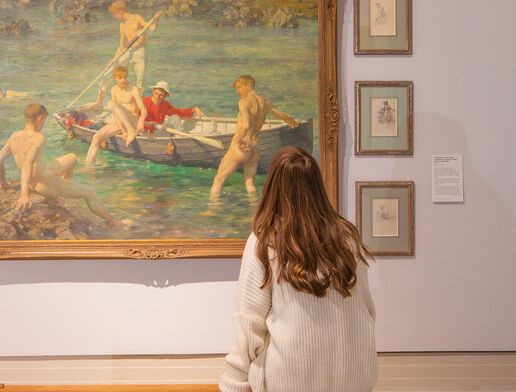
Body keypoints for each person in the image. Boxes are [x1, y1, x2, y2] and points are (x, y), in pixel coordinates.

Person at [220, 147, 377, 391]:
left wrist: (233, 383)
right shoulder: (347, 238)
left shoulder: (266, 242)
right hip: (354, 376)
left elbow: (249, 324)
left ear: (273, 187)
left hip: (293, 379)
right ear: (317, 186)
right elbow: (366, 310)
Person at [0, 103, 127, 227]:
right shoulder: (38, 138)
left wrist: (3, 183)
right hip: (45, 185)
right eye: (44, 120)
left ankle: (61, 195)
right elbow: (27, 164)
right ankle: (112, 221)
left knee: (72, 158)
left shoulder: (14, 136)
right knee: (89, 192)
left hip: (39, 176)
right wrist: (24, 195)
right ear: (39, 118)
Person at [210, 75, 300, 202]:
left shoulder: (244, 102)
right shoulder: (265, 103)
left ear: (249, 86)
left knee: (219, 179)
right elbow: (284, 116)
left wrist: (236, 141)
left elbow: (245, 125)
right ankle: (254, 210)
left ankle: (213, 211)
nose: (238, 91)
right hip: (254, 148)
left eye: (239, 87)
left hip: (241, 146)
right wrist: (294, 123)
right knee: (250, 183)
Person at [83, 67, 147, 163]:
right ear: (115, 78)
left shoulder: (133, 88)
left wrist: (141, 120)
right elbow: (115, 113)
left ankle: (131, 130)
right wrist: (123, 131)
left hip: (133, 120)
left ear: (128, 76)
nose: (123, 80)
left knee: (110, 103)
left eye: (125, 77)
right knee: (97, 137)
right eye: (120, 78)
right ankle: (89, 163)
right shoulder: (114, 89)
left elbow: (143, 109)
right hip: (121, 123)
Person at [106, 1, 162, 92]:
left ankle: (140, 99)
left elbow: (152, 28)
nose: (114, 16)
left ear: (120, 11)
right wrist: (114, 59)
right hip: (129, 51)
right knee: (112, 70)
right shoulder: (122, 25)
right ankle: (104, 99)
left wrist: (157, 19)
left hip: (140, 52)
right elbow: (122, 46)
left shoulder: (136, 18)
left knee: (140, 79)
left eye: (114, 13)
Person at [139, 81, 207, 133]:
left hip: (158, 132)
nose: (157, 97)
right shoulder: (144, 101)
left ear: (165, 95)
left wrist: (194, 109)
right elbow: (134, 117)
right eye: (156, 93)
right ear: (153, 91)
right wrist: (148, 124)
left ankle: (179, 138)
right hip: (142, 132)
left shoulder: (165, 105)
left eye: (161, 95)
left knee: (175, 117)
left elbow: (179, 112)